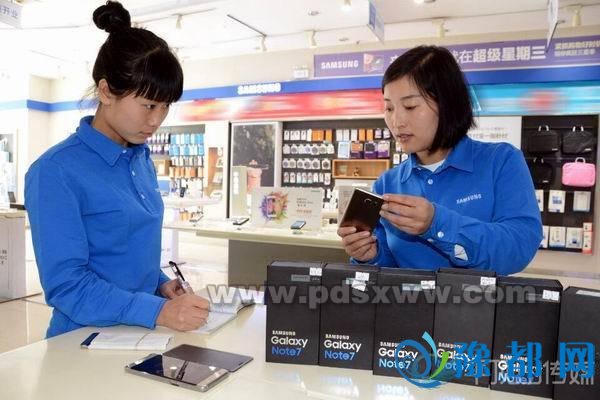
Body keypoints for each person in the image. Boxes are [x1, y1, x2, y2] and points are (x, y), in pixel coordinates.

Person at [25, 1, 209, 338]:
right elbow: (67, 286)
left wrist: (160, 285)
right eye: (148, 105)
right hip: (81, 342)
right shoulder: (55, 171)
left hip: (141, 335)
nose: (156, 120)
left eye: (165, 107)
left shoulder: (140, 161)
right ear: (106, 91)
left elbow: (123, 258)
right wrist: (158, 311)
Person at [337, 45, 542, 276]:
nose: (396, 121)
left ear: (448, 104)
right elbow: (388, 269)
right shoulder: (387, 184)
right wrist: (370, 256)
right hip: (408, 300)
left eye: (410, 106)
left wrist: (437, 224)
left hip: (477, 300)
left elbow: (519, 247)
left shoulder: (501, 161)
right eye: (389, 108)